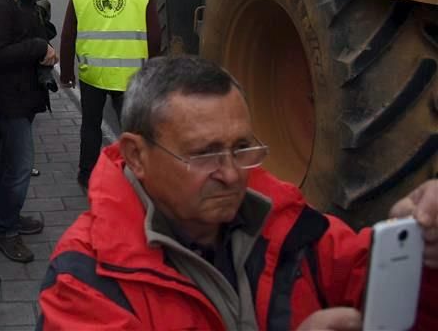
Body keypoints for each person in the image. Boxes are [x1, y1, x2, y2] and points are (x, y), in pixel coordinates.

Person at [39, 56, 438, 330]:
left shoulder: (292, 225)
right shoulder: (83, 282)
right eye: (204, 154)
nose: (231, 174)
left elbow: (398, 301)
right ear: (136, 155)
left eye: (241, 147)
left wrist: (425, 254)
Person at [60, 0, 160, 190]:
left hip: (92, 73)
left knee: (90, 126)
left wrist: (66, 72)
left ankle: (86, 173)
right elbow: (154, 35)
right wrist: (154, 70)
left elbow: (69, 32)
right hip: (131, 75)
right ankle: (137, 174)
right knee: (133, 129)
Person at [0, 0, 55, 264]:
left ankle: (8, 217)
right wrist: (38, 49)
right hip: (9, 99)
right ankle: (5, 230)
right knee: (19, 167)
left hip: (23, 93)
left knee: (10, 165)